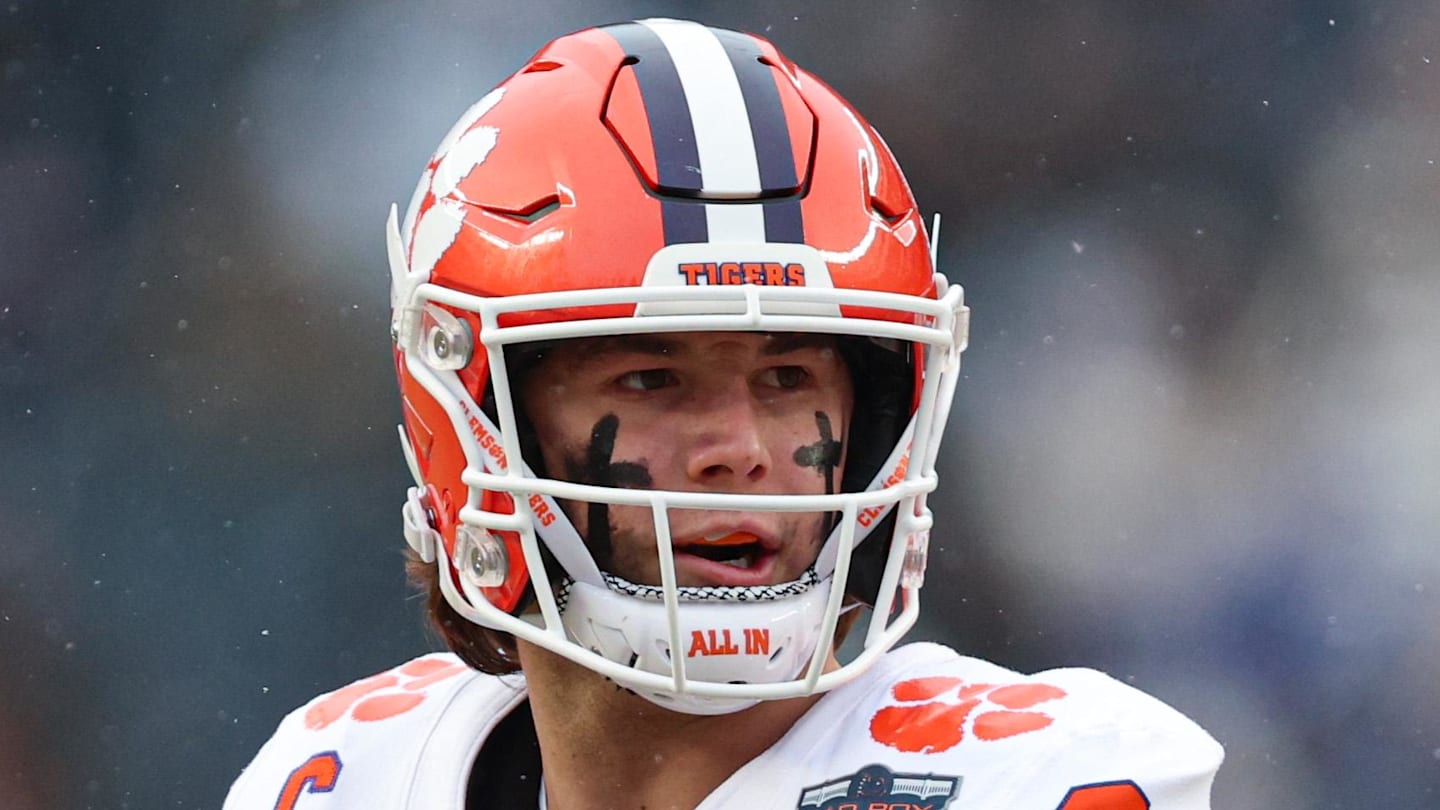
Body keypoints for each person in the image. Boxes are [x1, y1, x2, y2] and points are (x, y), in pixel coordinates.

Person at [225, 18, 1222, 810]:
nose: (739, 453)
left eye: (787, 378)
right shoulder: (338, 778)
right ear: (478, 409)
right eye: (652, 380)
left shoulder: (1039, 783)